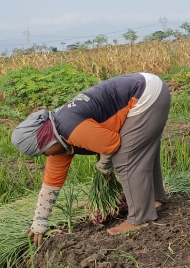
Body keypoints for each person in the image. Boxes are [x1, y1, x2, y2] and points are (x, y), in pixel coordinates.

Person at [11, 72, 171, 245]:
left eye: (42, 152)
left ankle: (139, 219)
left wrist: (104, 163)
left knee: (125, 158)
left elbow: (111, 142)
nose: (46, 156)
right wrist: (39, 221)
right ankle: (153, 199)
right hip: (146, 86)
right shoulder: (58, 139)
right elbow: (51, 183)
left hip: (145, 94)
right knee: (140, 150)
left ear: (46, 140)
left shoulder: (69, 127)